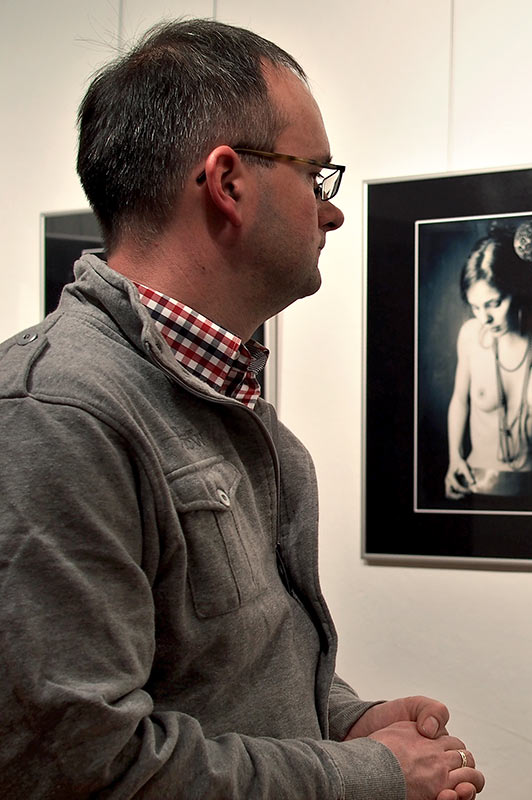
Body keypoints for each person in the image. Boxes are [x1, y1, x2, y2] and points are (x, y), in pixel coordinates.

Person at [0, 19, 484, 800]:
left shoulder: (219, 398)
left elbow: (215, 673)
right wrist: (373, 774)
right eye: (315, 176)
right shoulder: (56, 412)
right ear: (228, 182)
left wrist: (342, 718)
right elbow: (83, 769)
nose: (331, 212)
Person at [443, 220, 532, 503]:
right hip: (479, 485)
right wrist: (454, 456)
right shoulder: (470, 336)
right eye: (475, 307)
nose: (485, 318)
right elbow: (459, 400)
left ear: (518, 290)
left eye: (494, 304)